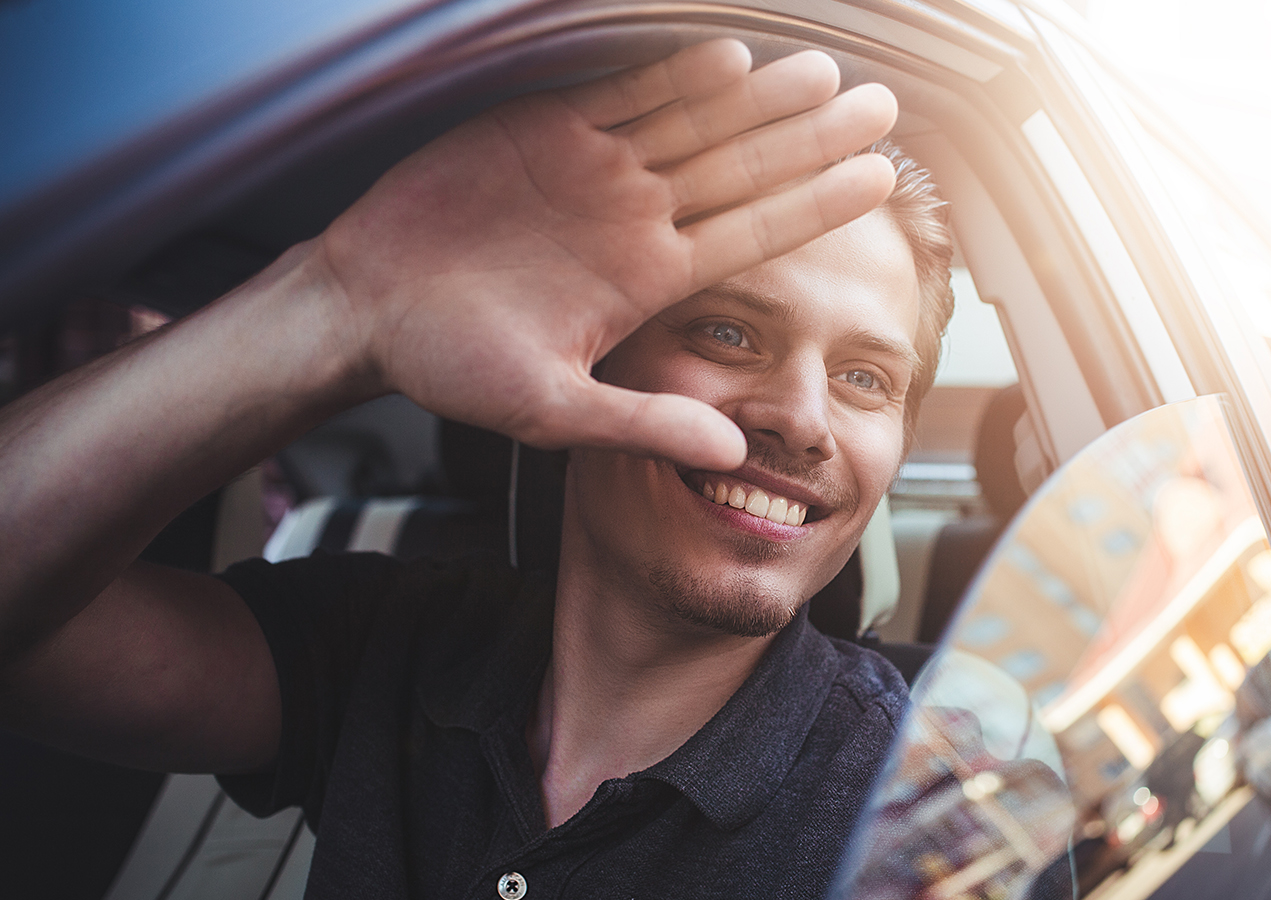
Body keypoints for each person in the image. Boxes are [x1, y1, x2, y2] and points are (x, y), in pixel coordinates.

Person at [0, 39, 955, 899]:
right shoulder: (391, 647)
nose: (801, 418)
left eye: (865, 378)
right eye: (729, 332)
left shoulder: (932, 822)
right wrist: (336, 303)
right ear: (585, 354)